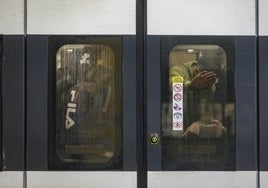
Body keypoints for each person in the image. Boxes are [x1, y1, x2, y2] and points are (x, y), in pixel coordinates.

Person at [169, 51, 227, 138]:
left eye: (212, 80)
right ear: (197, 72)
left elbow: (206, 113)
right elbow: (173, 83)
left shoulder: (210, 85)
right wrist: (191, 85)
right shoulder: (178, 71)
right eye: (207, 79)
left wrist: (200, 124)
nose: (209, 84)